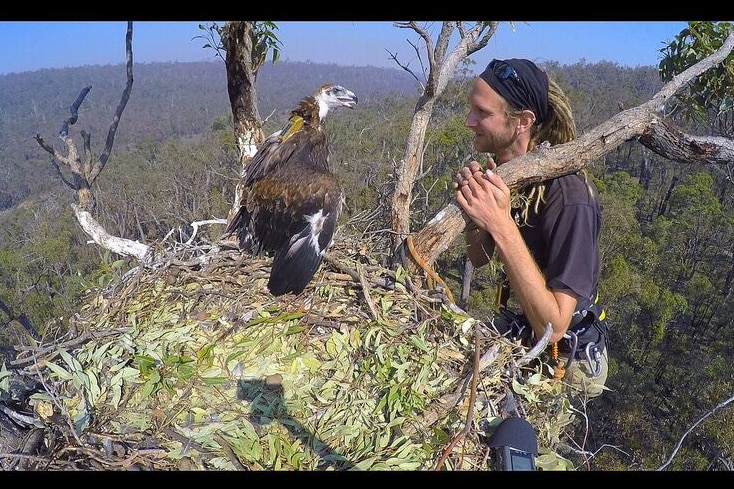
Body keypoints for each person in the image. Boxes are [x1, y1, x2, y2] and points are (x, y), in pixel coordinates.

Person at [453, 58, 609, 399]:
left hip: (563, 365)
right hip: (520, 336)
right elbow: (479, 258)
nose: (469, 121)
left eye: (482, 113)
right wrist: (474, 210)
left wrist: (500, 222)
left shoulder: (570, 197)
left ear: (522, 122)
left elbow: (552, 329)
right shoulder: (509, 173)